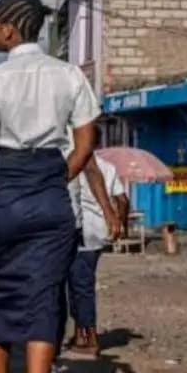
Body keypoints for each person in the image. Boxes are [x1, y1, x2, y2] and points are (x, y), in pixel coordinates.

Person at [0, 0, 120, 373]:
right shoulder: (68, 76)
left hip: (5, 196)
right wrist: (52, 179)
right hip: (50, 197)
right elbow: (86, 143)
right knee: (45, 298)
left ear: (9, 28)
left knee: (0, 295)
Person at [64, 144, 128, 356]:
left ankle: (89, 336)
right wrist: (121, 222)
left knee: (80, 285)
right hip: (99, 231)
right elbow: (122, 199)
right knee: (79, 282)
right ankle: (80, 332)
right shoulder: (108, 167)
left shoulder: (74, 162)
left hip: (81, 230)